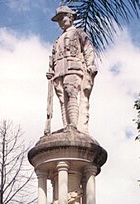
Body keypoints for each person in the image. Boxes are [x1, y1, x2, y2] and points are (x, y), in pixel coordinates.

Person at [47, 6, 97, 134]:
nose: (60, 22)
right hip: (58, 71)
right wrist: (51, 71)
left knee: (71, 93)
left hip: (73, 67)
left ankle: (74, 124)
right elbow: (53, 58)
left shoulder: (78, 32)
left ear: (70, 16)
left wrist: (90, 64)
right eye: (58, 19)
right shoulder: (57, 40)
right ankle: (67, 125)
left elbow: (88, 49)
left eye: (61, 17)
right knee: (62, 99)